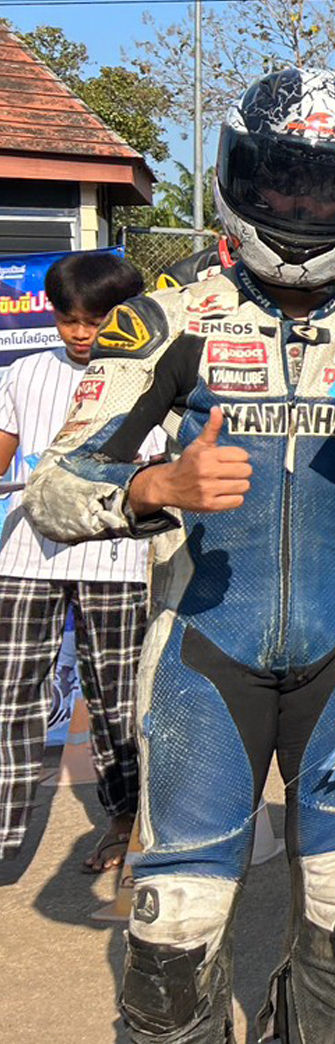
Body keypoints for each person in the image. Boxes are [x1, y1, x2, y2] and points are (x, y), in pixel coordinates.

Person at [25, 67, 335, 1044]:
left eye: (323, 188)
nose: (296, 206)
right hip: (205, 658)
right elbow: (52, 492)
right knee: (175, 938)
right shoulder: (166, 320)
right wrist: (152, 490)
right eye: (278, 180)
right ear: (237, 176)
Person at [0, 253, 161, 876]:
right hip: (25, 554)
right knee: (11, 691)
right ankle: (5, 830)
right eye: (68, 318)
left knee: (117, 697)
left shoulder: (150, 377)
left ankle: (125, 816)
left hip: (115, 556)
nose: (80, 332)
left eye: (95, 320)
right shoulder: (23, 373)